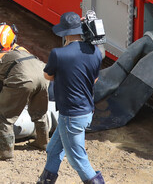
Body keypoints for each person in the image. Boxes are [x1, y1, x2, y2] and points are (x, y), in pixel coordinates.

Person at [37, 12, 104, 184]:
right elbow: (94, 79)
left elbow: (47, 76)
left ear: (64, 33)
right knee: (53, 149)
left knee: (77, 160)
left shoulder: (58, 54)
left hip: (71, 116)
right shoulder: (95, 52)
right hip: (86, 111)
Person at [0, 24, 49, 160]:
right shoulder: (25, 52)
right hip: (44, 77)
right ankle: (43, 143)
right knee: (40, 113)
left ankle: (7, 153)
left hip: (24, 81)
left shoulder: (4, 57)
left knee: (5, 117)